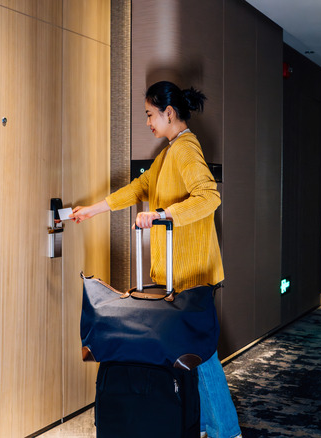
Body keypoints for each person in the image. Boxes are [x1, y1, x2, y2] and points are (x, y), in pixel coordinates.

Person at [71, 81, 242, 438]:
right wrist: (94, 210)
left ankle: (226, 431)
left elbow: (209, 197)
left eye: (150, 114)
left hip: (192, 272)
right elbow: (139, 188)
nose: (147, 121)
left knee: (202, 354)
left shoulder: (186, 149)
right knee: (194, 353)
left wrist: (164, 214)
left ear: (169, 112)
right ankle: (212, 426)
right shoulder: (169, 151)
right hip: (179, 273)